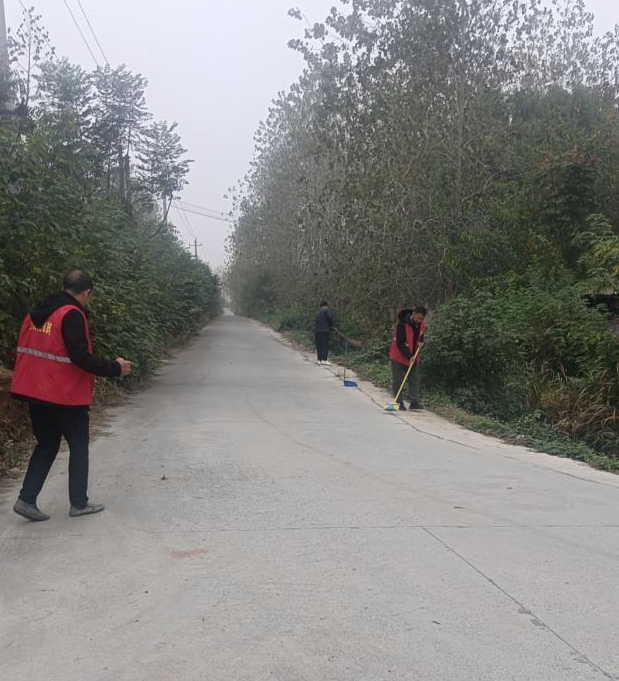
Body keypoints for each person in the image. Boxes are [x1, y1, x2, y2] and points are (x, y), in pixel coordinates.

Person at [10, 269, 132, 522]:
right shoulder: (71, 314)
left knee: (46, 445)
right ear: (86, 292)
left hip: (36, 392)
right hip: (65, 394)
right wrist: (115, 368)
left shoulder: (36, 313)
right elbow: (80, 356)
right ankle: (79, 503)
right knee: (78, 446)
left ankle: (26, 500)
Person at [388, 305, 427, 410]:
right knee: (398, 380)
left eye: (422, 319)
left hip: (413, 356)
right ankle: (399, 403)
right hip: (399, 355)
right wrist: (409, 356)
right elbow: (400, 343)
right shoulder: (401, 324)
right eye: (418, 318)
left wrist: (421, 343)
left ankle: (414, 402)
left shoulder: (421, 325)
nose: (419, 321)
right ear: (413, 313)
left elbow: (420, 338)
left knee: (414, 379)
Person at [314, 300, 334, 365]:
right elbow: (330, 318)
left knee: (319, 345)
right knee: (325, 345)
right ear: (326, 305)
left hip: (317, 331)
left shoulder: (317, 312)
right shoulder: (326, 309)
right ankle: (324, 360)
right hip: (325, 330)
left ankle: (319, 360)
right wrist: (331, 326)